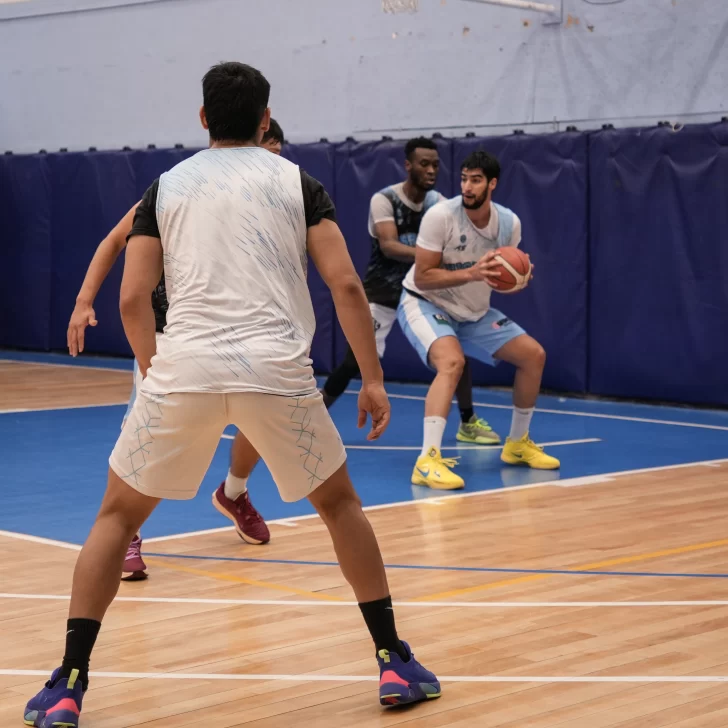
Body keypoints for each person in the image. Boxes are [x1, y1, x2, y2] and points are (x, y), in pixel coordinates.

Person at [24, 63, 439, 728]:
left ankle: (69, 682)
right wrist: (373, 376)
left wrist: (156, 371)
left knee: (115, 518)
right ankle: (392, 659)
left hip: (183, 368)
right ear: (266, 120)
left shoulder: (166, 186)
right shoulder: (299, 183)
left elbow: (133, 297)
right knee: (338, 506)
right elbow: (347, 287)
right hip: (276, 370)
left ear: (202, 118)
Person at [65, 121, 289, 579]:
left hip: (245, 337)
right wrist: (83, 301)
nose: (274, 164)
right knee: (146, 430)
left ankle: (234, 492)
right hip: (173, 338)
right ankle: (127, 531)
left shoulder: (279, 204)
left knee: (264, 420)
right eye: (268, 152)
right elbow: (113, 240)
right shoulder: (182, 191)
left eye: (279, 155)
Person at [397, 149, 561, 490]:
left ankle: (516, 445)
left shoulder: (508, 224)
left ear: (492, 184)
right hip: (425, 302)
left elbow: (501, 280)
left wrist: (518, 279)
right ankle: (427, 460)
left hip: (473, 312)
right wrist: (473, 272)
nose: (468, 187)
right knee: (452, 363)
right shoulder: (441, 216)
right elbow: (424, 276)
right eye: (463, 179)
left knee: (534, 356)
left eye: (476, 180)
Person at [320, 138, 501, 447]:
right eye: (424, 164)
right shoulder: (384, 199)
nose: (431, 170)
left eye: (435, 164)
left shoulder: (439, 203)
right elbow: (389, 246)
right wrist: (431, 256)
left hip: (423, 294)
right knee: (355, 362)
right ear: (408, 166)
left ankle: (468, 422)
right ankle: (313, 421)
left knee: (456, 354)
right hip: (383, 292)